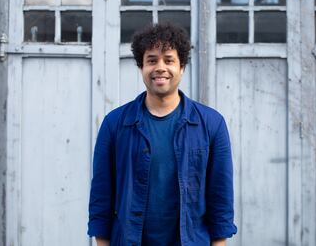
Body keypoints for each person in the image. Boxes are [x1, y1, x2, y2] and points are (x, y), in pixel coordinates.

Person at [87, 23, 237, 246]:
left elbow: (221, 198)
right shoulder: (115, 123)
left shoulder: (212, 124)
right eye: (151, 60)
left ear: (182, 66)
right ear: (141, 67)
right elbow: (101, 196)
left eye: (169, 60)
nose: (160, 67)